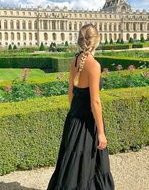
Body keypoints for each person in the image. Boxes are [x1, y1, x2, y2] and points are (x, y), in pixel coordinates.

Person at [46, 23, 115, 189]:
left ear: (79, 41)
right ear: (97, 41)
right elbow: (95, 102)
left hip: (73, 119)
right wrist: (101, 132)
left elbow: (70, 93)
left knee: (70, 165)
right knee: (90, 165)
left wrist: (75, 112)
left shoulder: (75, 61)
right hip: (88, 124)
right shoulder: (94, 65)